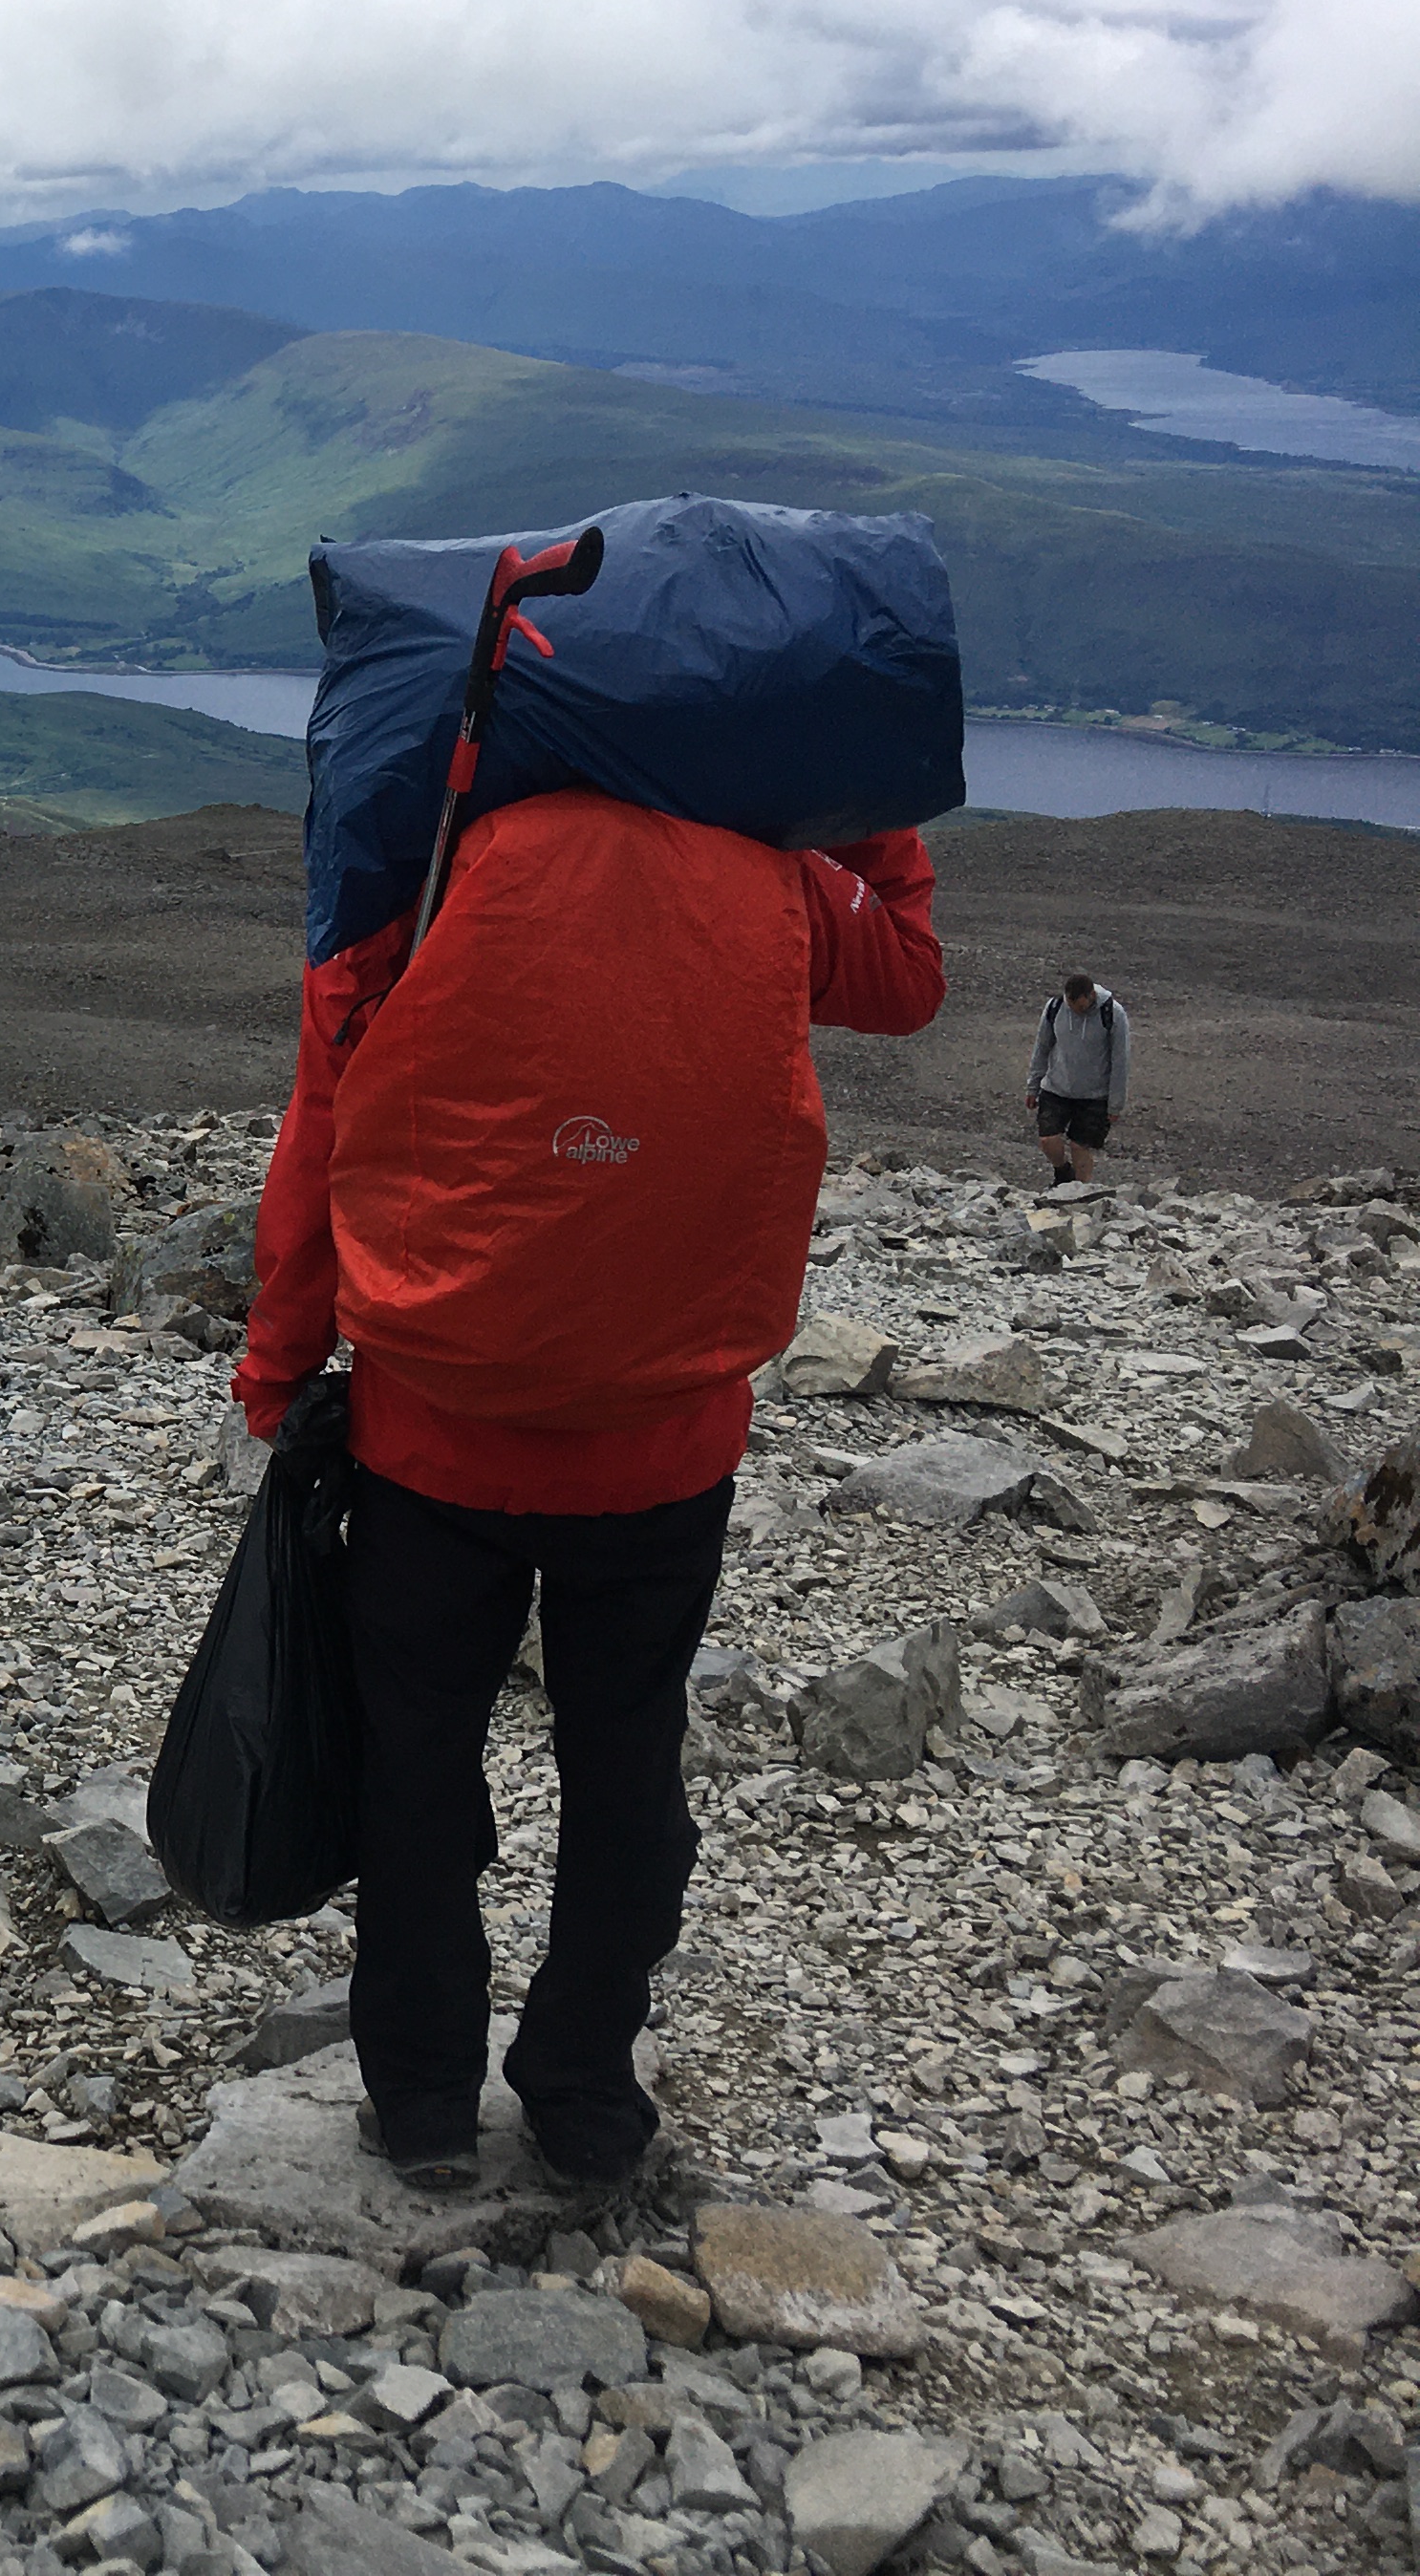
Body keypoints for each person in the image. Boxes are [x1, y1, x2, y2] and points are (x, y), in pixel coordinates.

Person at [233, 790, 944, 2194]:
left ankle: (427, 2098)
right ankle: (584, 2094)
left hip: (436, 1430)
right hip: (662, 1440)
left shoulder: (430, 857)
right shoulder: (773, 867)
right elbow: (909, 977)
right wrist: (857, 793)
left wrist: (281, 1358)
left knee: (417, 1762)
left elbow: (330, 1115)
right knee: (625, 1763)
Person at [1026, 973, 1129, 1184]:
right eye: (1072, 1007)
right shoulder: (1055, 1008)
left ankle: (1081, 1194)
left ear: (1091, 995)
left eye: (1081, 1008)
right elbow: (1042, 1048)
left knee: (1079, 1146)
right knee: (1048, 1139)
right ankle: (1063, 1173)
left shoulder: (1113, 1014)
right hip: (1056, 1088)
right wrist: (1033, 1087)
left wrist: (1115, 1105)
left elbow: (1121, 1062)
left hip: (1094, 1095)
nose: (1076, 1012)